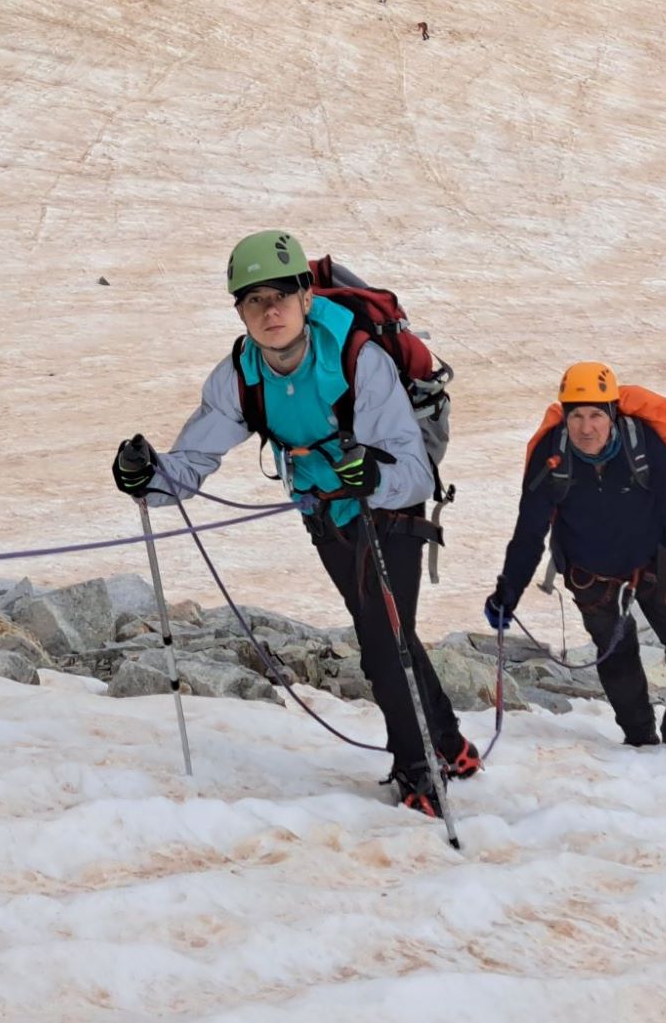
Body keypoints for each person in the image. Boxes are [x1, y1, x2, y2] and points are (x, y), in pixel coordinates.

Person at [109, 227, 477, 816]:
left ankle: (419, 773)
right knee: (388, 629)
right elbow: (191, 464)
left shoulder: (359, 357)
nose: (270, 310)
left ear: (307, 296)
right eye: (254, 300)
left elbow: (413, 470)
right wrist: (147, 476)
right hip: (324, 513)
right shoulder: (240, 375)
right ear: (240, 311)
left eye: (281, 295)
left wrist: (372, 476)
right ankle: (452, 745)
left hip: (389, 509)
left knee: (383, 642)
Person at [484, 361, 666, 749]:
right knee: (617, 658)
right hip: (592, 576)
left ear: (613, 414)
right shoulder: (552, 455)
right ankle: (640, 741)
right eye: (576, 416)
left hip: (656, 564)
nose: (586, 428)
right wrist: (509, 592)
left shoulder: (645, 448)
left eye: (596, 416)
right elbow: (529, 533)